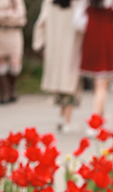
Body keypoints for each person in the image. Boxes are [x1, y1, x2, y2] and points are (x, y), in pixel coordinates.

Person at [74, 0, 113, 122]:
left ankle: (101, 116)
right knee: (102, 82)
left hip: (91, 38)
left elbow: (77, 22)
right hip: (108, 38)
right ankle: (95, 119)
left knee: (100, 82)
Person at [32, 0, 84, 133]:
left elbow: (41, 23)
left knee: (60, 84)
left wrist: (40, 44)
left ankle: (62, 117)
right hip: (73, 47)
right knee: (71, 85)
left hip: (53, 47)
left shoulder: (49, 2)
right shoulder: (77, 3)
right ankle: (67, 120)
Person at [0, 0, 26, 105]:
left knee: (15, 62)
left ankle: (12, 89)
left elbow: (20, 14)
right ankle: (4, 93)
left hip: (14, 32)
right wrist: (9, 13)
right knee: (1, 61)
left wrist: (1, 15)